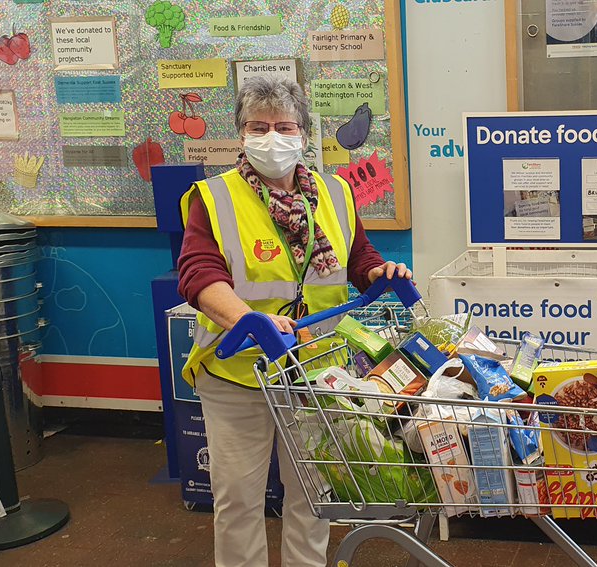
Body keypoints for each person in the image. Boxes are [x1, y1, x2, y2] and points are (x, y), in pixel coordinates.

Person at [176, 76, 411, 567]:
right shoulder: (214, 197)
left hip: (314, 370)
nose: (272, 138)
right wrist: (248, 319)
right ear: (241, 134)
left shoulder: (334, 192)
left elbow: (357, 256)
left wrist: (377, 272)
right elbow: (199, 274)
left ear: (303, 133)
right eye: (258, 127)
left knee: (313, 496)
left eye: (284, 127)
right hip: (239, 371)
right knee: (239, 500)